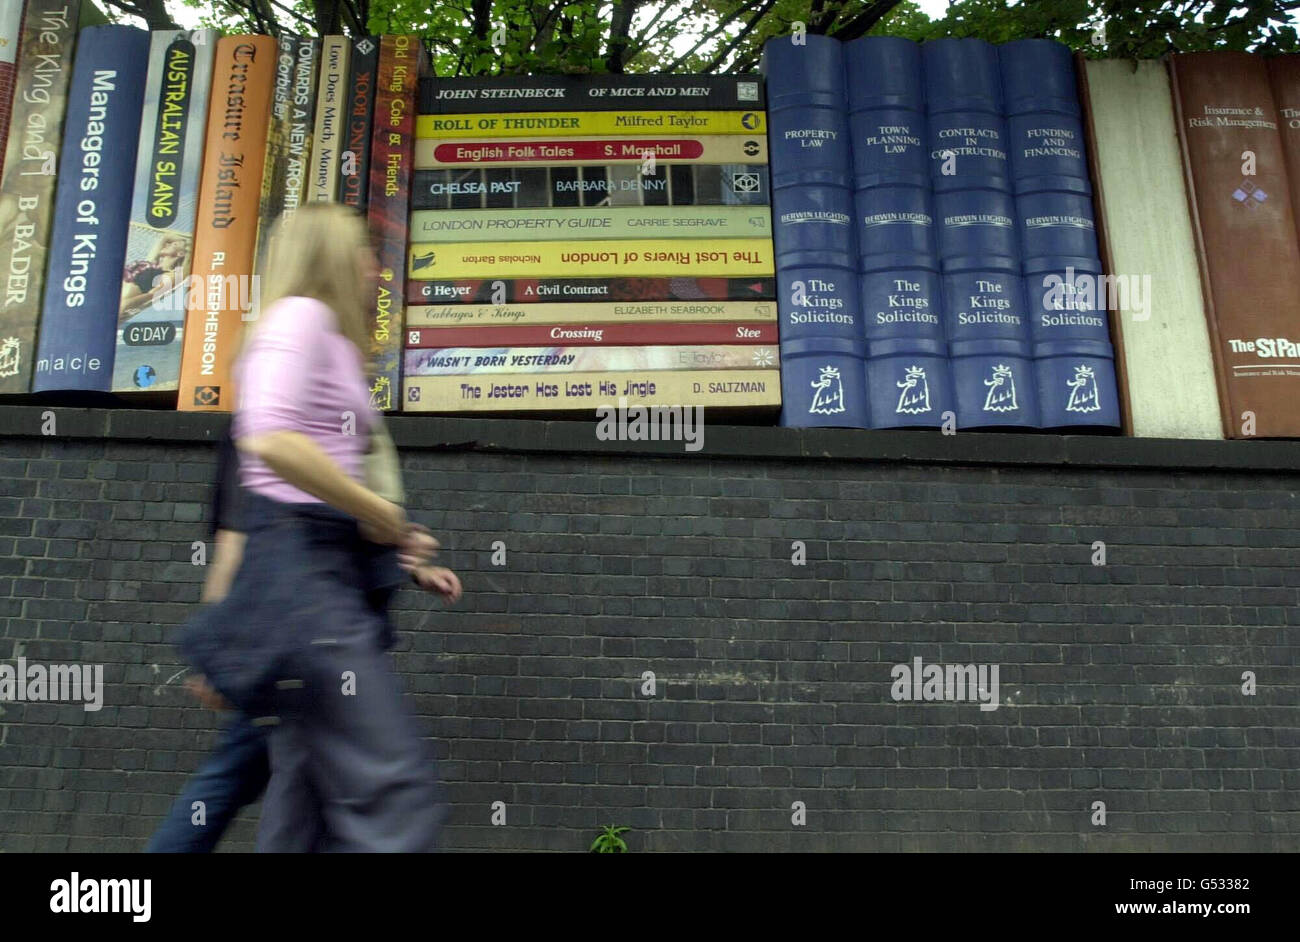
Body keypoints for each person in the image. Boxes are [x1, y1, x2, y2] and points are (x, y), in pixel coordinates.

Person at [176, 202, 462, 852]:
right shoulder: (298, 317)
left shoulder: (329, 339)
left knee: (302, 803)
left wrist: (394, 539)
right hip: (307, 584)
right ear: (330, 255)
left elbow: (315, 464)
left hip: (327, 569)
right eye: (362, 251)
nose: (374, 266)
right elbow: (269, 438)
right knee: (398, 792)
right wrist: (377, 512)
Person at [147, 430, 458, 852]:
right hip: (290, 643)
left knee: (271, 789)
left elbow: (353, 530)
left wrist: (410, 563)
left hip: (320, 641)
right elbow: (235, 542)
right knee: (237, 781)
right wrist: (221, 655)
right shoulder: (266, 421)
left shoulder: (322, 417)